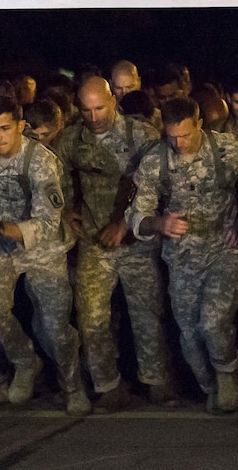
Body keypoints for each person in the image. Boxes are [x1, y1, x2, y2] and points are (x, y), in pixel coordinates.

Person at [0, 95, 90, 416]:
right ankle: (26, 362)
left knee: (55, 326)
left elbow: (46, 225)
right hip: (0, 243)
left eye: (5, 128)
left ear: (20, 127)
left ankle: (73, 385)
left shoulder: (42, 162)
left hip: (43, 246)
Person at [127, 97, 238, 413]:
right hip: (181, 257)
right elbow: (137, 214)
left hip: (222, 250)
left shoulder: (227, 150)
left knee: (213, 323)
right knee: (189, 334)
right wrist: (159, 223)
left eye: (185, 135)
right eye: (172, 136)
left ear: (199, 123)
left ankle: (228, 374)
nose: (179, 142)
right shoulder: (155, 161)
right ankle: (209, 386)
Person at [57, 77, 172, 411]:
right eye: (86, 110)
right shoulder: (72, 139)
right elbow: (58, 177)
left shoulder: (143, 136)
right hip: (95, 242)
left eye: (100, 108)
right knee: (91, 317)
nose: (94, 117)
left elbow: (155, 186)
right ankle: (108, 383)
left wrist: (124, 222)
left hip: (137, 239)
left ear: (113, 102)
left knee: (147, 313)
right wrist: (64, 210)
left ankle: (156, 378)